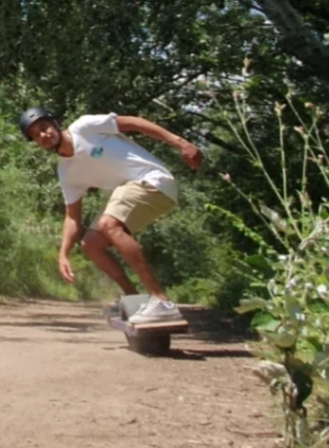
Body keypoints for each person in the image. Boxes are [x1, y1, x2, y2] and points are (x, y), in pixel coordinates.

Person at [19, 107, 202, 324]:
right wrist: (63, 254)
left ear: (54, 123)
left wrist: (180, 142)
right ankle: (136, 300)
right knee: (91, 244)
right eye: (35, 135)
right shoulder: (66, 173)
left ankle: (160, 301)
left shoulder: (85, 127)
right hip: (137, 191)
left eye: (43, 127)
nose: (42, 135)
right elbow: (72, 217)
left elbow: (134, 122)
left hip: (153, 180)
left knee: (108, 223)